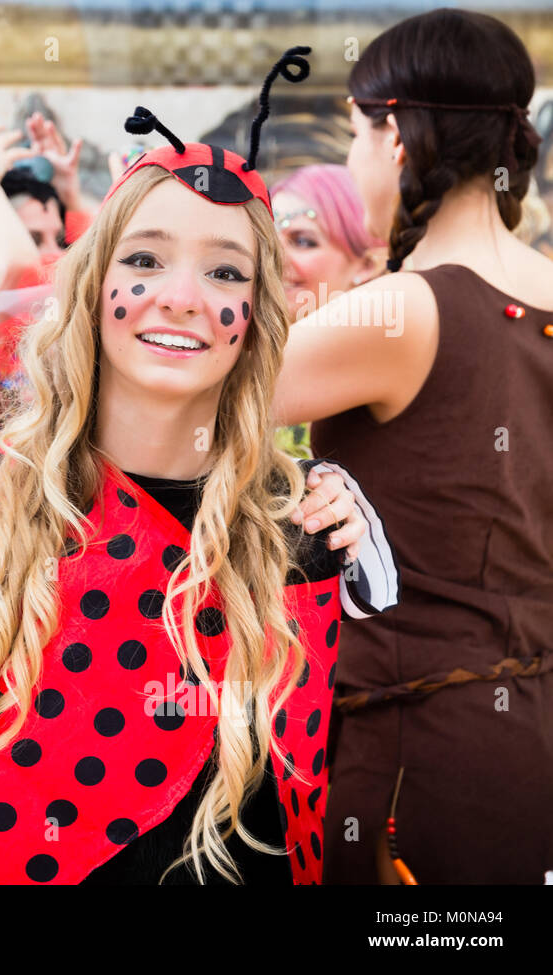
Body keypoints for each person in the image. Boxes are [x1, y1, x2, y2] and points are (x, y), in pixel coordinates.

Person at [0, 50, 397, 885]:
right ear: (90, 289)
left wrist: (354, 536)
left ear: (256, 315)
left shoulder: (295, 526)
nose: (183, 296)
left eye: (226, 270)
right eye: (146, 260)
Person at [272, 8, 553, 884]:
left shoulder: (402, 309)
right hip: (530, 721)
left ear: (394, 136)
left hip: (414, 746)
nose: (354, 161)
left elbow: (195, 399)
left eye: (358, 133)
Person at [269, 164, 384, 457]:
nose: (274, 257)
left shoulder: (378, 351)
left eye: (303, 241)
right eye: (267, 241)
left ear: (366, 265)